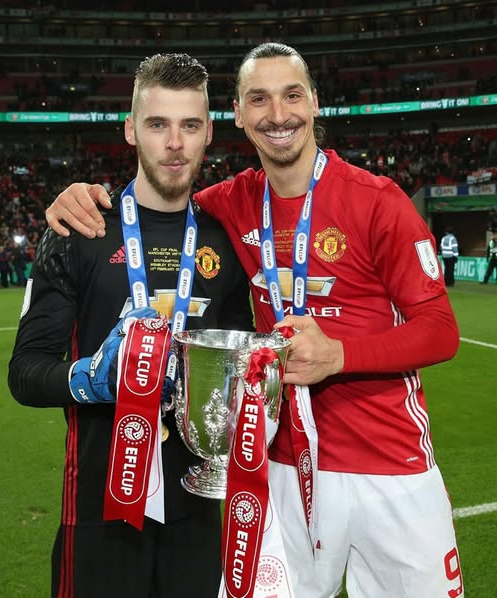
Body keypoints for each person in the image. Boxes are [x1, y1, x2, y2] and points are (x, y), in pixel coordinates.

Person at [45, 43, 463, 598]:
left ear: (315, 103)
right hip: (279, 468)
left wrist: (340, 355)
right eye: (259, 99)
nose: (278, 114)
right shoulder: (229, 204)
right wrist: (78, 197)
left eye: (292, 95)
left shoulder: (377, 201)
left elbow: (441, 330)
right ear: (239, 116)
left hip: (389, 462)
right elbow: (159, 198)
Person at [8, 53, 253, 598]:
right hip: (99, 515)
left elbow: (239, 367)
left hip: (198, 512)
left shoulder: (226, 240)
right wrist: (90, 379)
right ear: (130, 130)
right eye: (158, 124)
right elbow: (25, 372)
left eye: (190, 125)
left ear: (209, 132)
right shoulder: (79, 229)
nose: (175, 143)